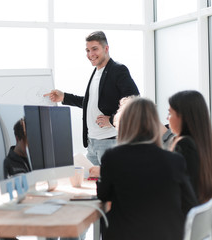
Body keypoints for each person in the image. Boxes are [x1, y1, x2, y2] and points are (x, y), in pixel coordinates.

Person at [97, 97, 197, 240]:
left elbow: (103, 194)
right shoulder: (175, 160)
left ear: (125, 123)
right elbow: (189, 203)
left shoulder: (112, 157)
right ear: (154, 124)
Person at [44, 31, 139, 165]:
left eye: (94, 49)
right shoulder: (96, 72)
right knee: (91, 184)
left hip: (110, 141)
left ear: (106, 48)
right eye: (87, 50)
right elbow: (91, 103)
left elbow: (134, 101)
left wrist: (112, 120)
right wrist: (64, 97)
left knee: (109, 184)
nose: (90, 54)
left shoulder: (118, 70)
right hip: (92, 143)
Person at [168, 90, 212, 203]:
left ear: (183, 116)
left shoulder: (184, 145)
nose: (167, 119)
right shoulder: (204, 143)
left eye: (170, 113)